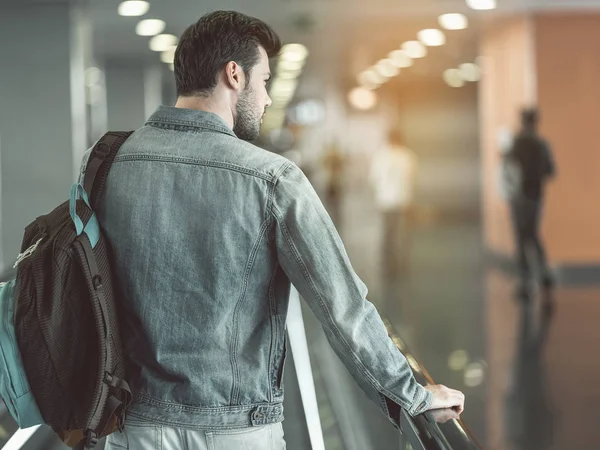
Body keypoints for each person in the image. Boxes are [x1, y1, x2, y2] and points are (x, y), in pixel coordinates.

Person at [85, 11, 464, 450]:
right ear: (233, 75)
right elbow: (342, 307)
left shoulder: (106, 162)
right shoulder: (272, 178)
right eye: (263, 81)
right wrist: (411, 394)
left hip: (133, 429)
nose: (266, 99)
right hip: (236, 430)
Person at [504, 108, 556, 298]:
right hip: (536, 197)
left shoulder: (516, 144)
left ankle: (525, 280)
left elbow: (508, 168)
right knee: (533, 235)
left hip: (520, 197)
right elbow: (551, 171)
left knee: (521, 237)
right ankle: (544, 274)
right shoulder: (542, 144)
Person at [369, 129, 418, 278]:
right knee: (402, 233)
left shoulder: (380, 156)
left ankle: (387, 266)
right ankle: (403, 264)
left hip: (385, 201)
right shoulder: (409, 156)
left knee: (387, 234)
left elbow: (373, 179)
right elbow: (412, 179)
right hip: (403, 200)